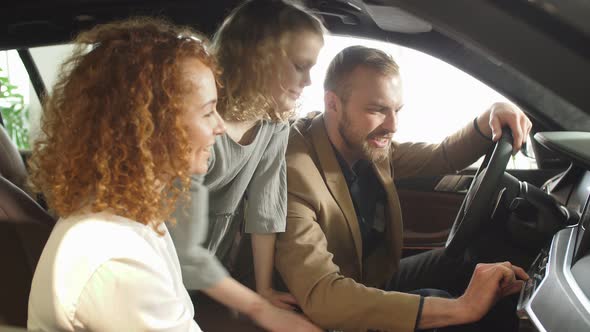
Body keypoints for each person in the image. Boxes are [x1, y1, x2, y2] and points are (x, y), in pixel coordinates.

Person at [27, 18, 318, 332]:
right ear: (151, 126)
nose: (219, 127)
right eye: (208, 112)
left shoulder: (135, 216)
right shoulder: (118, 259)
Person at [275, 45, 532, 332]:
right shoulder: (293, 172)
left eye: (397, 110)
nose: (393, 124)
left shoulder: (363, 143)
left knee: (469, 261)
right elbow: (324, 296)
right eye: (377, 110)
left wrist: (491, 116)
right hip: (325, 312)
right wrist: (461, 308)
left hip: (368, 279)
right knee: (441, 303)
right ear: (332, 103)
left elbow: (441, 156)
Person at [170, 0, 324, 316]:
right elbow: (180, 240)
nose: (308, 80)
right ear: (257, 59)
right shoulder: (202, 122)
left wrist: (264, 289)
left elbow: (265, 208)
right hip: (172, 251)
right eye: (299, 66)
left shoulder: (275, 123)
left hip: (216, 259)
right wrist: (258, 308)